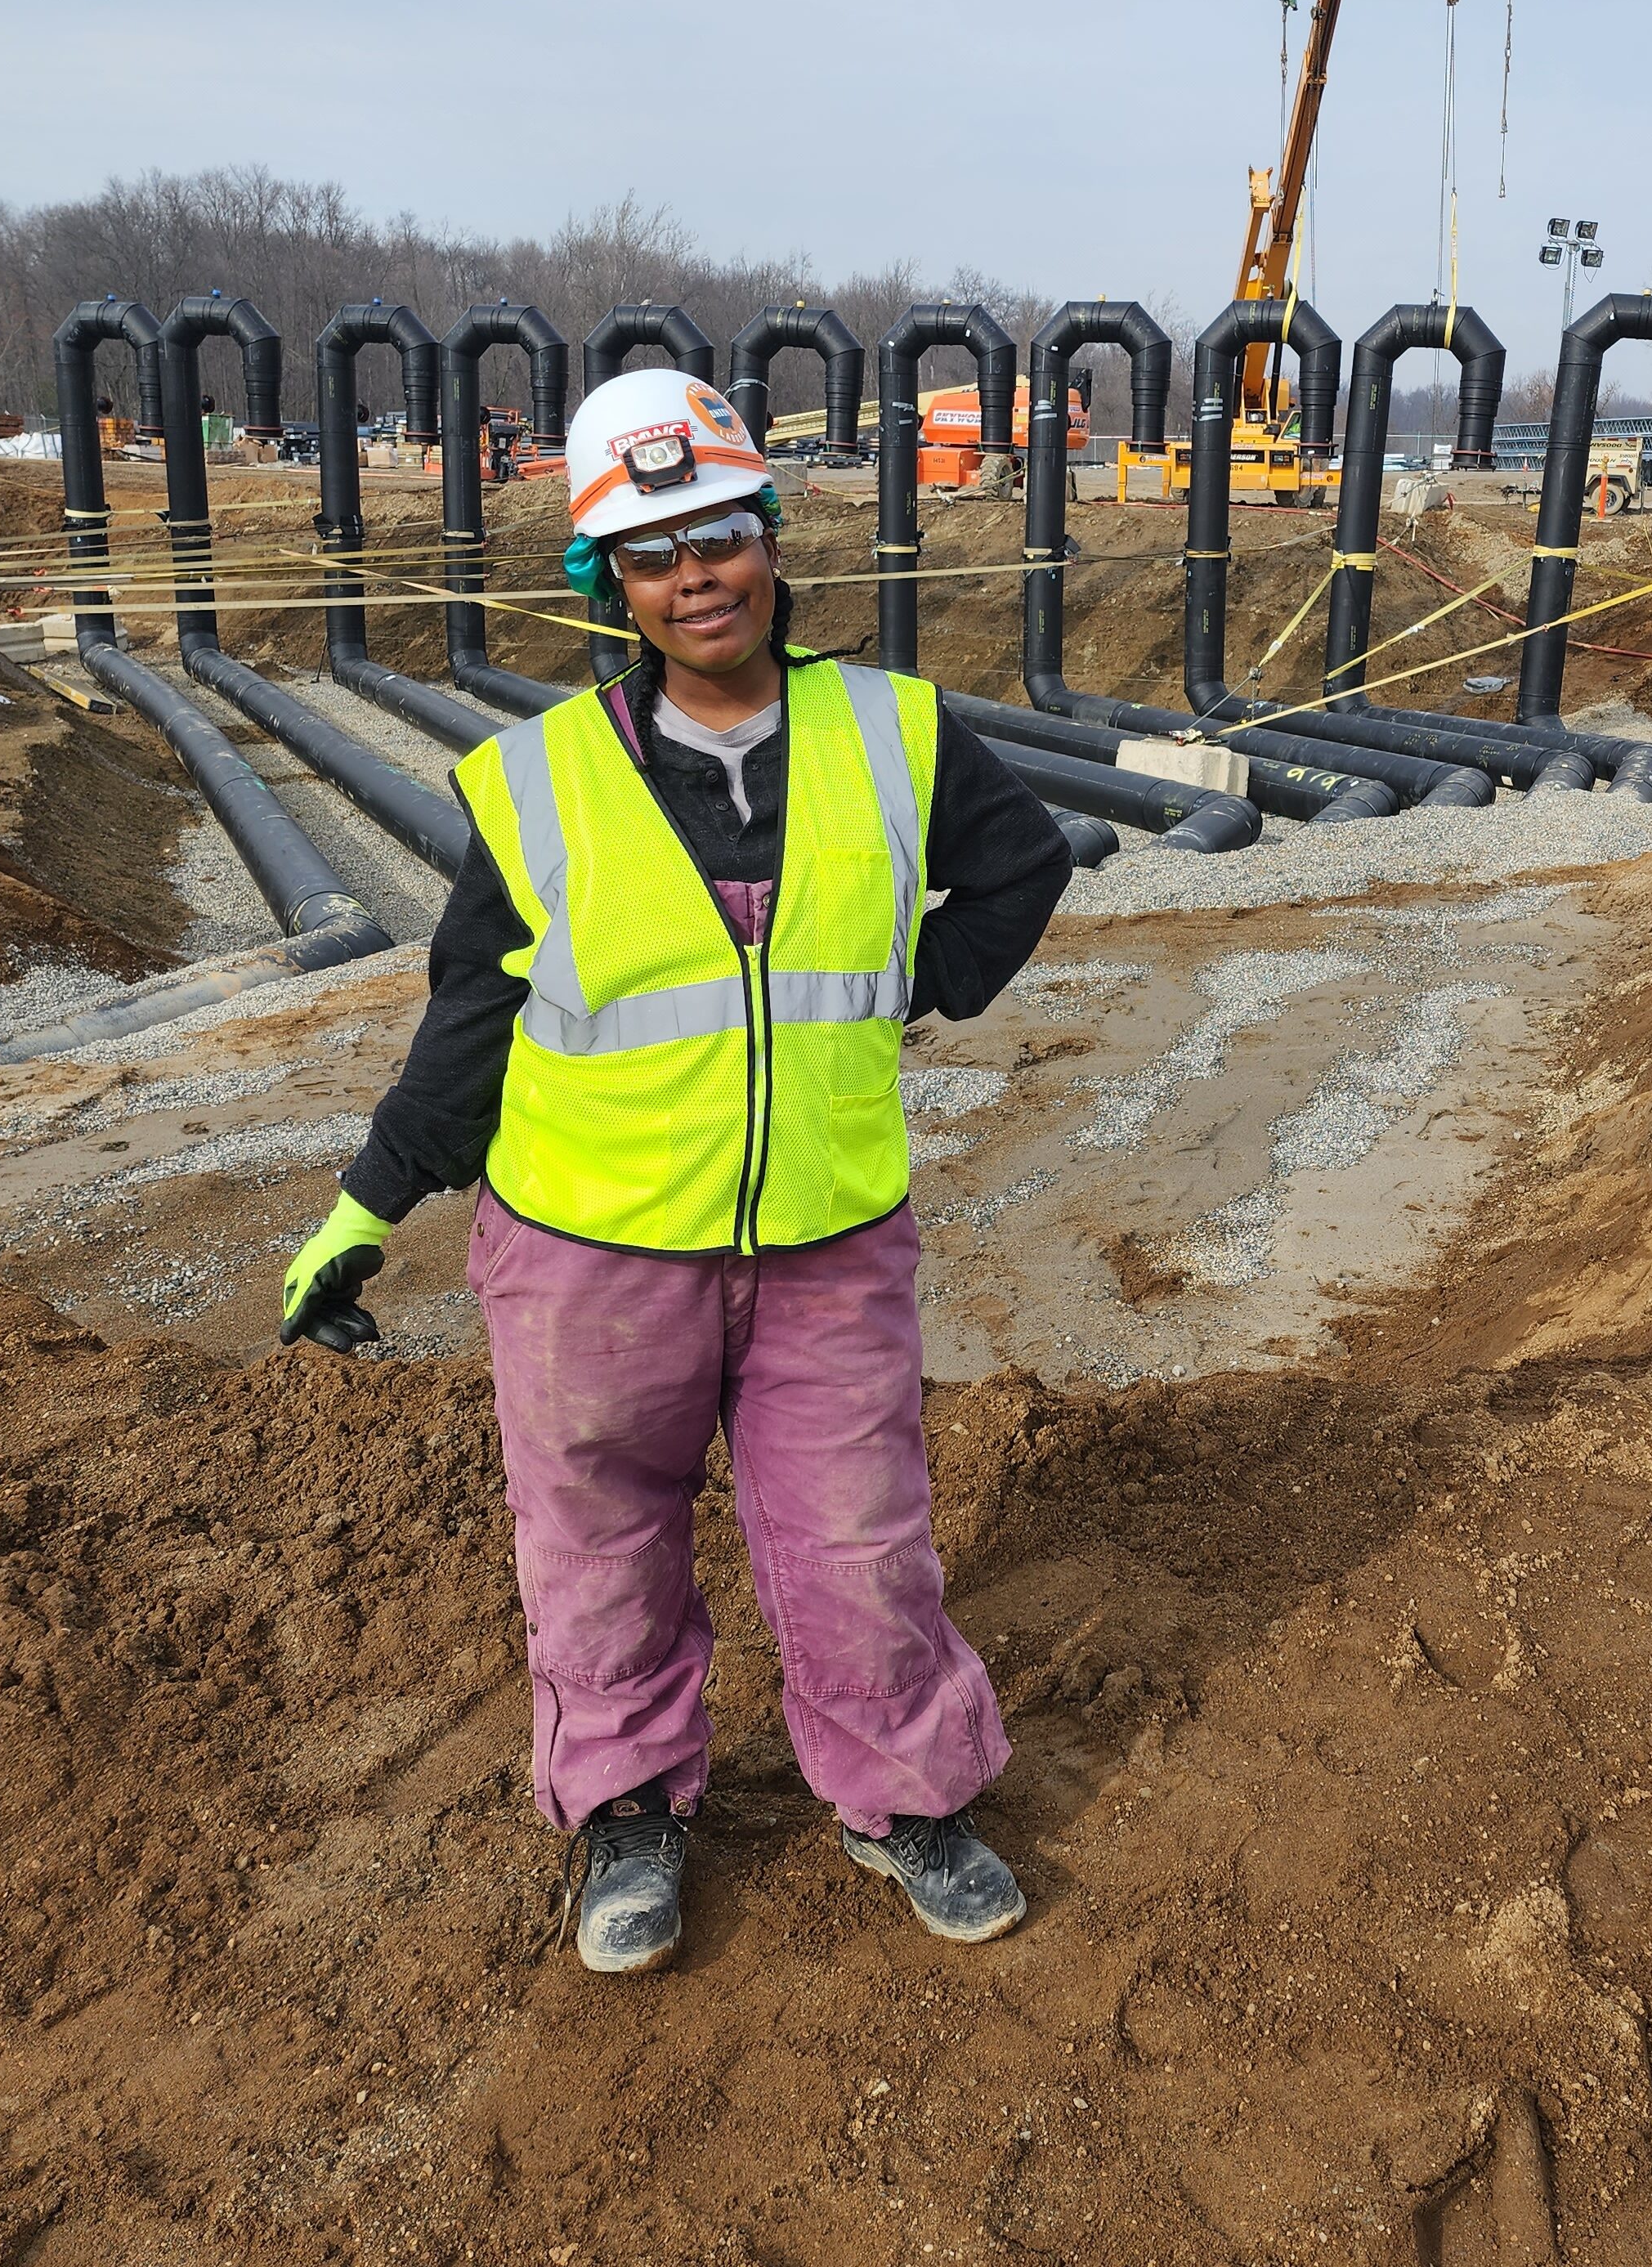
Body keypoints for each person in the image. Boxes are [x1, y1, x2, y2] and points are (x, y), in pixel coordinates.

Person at [278, 370, 1071, 1977]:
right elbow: (471, 1021)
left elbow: (1025, 866)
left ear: (769, 542)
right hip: (589, 1249)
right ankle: (629, 1807)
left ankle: (904, 1792)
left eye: (718, 530)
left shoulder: (895, 731)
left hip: (825, 1238)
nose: (695, 571)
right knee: (596, 1539)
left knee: (860, 1534)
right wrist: (368, 1202)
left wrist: (910, 984)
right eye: (652, 551)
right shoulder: (545, 777)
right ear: (613, 588)